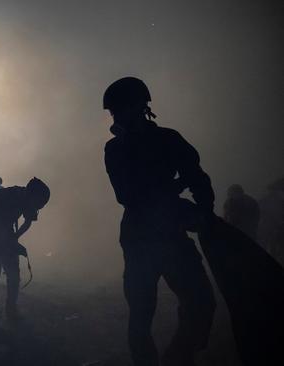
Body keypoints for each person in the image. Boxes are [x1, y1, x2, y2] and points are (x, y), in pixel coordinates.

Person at [103, 77, 216, 366]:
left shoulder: (169, 139)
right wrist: (175, 193)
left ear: (139, 107)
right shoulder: (115, 149)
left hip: (171, 236)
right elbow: (127, 195)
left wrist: (204, 211)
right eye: (113, 112)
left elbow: (198, 178)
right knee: (141, 317)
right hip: (140, 240)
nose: (115, 117)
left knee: (202, 303)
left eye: (118, 110)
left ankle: (177, 358)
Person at [0, 177, 50, 321]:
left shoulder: (27, 199)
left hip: (5, 235)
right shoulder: (9, 196)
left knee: (13, 275)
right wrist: (11, 241)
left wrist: (15, 238)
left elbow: (28, 221)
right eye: (39, 202)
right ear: (31, 194)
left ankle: (11, 309)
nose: (38, 206)